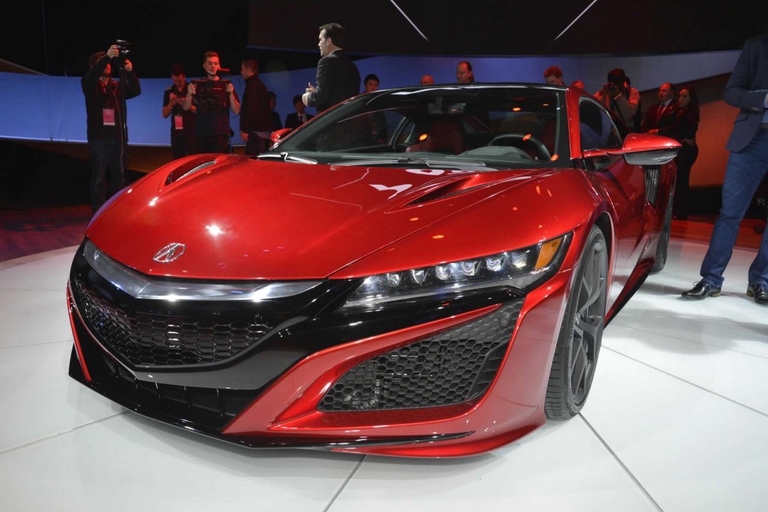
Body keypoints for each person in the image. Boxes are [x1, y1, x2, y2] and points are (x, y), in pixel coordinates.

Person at [682, 33, 768, 304]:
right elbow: (732, 91)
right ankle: (711, 279)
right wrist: (764, 99)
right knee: (730, 213)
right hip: (753, 138)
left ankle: (761, 281)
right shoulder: (757, 45)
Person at [81, 44, 141, 213]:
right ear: (95, 66)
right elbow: (91, 76)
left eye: (108, 63)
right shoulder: (89, 84)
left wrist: (130, 72)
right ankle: (98, 212)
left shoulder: (116, 86)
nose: (108, 65)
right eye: (103, 62)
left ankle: (117, 211)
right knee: (99, 177)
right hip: (99, 138)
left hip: (118, 137)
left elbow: (136, 91)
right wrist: (106, 56)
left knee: (119, 176)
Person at [651, 85, 699, 220]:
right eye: (680, 96)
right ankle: (678, 211)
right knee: (678, 181)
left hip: (686, 151)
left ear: (691, 98)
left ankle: (681, 212)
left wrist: (660, 132)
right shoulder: (680, 111)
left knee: (681, 181)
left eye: (685, 96)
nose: (681, 99)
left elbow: (683, 128)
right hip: (682, 148)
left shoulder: (690, 111)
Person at [182, 50, 240, 154]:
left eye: (216, 63)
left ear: (219, 65)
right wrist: (189, 94)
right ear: (204, 65)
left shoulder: (225, 84)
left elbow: (236, 111)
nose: (213, 66)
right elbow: (186, 107)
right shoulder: (198, 84)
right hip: (202, 134)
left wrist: (230, 94)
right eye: (210, 63)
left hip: (220, 134)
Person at [302, 23, 361, 113]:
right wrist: (317, 92)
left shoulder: (326, 61)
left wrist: (307, 98)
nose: (318, 44)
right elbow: (337, 94)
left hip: (331, 124)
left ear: (328, 41)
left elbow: (321, 97)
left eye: (320, 40)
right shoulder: (352, 66)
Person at [238, 57, 271, 156]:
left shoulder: (252, 86)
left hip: (255, 135)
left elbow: (252, 110)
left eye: (242, 69)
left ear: (248, 70)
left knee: (251, 163)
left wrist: (246, 130)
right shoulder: (259, 85)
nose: (241, 72)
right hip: (260, 134)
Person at [162, 63, 196, 159]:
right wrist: (171, 104)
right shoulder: (169, 91)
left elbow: (198, 111)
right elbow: (164, 114)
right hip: (176, 133)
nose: (177, 83)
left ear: (184, 76)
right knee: (177, 160)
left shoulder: (192, 89)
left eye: (180, 81)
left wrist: (186, 104)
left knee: (193, 159)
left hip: (192, 131)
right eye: (175, 81)